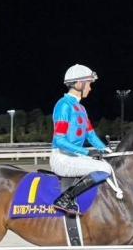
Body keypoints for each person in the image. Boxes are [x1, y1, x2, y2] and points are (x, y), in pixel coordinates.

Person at [50, 64, 122, 214]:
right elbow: (60, 141)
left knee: (106, 163)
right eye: (88, 83)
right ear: (79, 84)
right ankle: (65, 199)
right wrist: (87, 152)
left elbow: (91, 135)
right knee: (104, 169)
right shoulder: (63, 105)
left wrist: (106, 150)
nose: (90, 88)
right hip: (62, 158)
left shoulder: (81, 109)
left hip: (74, 157)